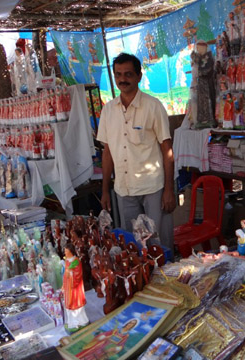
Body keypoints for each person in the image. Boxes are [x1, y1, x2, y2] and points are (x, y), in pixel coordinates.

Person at [98, 53, 175, 253]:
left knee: (158, 244)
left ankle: (166, 282)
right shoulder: (108, 111)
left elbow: (167, 150)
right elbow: (107, 153)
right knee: (133, 247)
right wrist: (105, 189)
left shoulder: (153, 106)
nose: (123, 79)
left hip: (153, 188)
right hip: (124, 190)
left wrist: (169, 190)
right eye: (119, 75)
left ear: (139, 76)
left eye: (128, 74)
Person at [62, 244, 89, 333]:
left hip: (74, 289)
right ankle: (72, 322)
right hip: (68, 287)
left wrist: (71, 272)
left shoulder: (76, 261)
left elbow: (78, 275)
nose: (65, 252)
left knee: (75, 307)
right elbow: (65, 274)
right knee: (68, 306)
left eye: (66, 251)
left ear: (71, 251)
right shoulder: (67, 261)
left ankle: (80, 322)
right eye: (65, 251)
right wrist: (64, 284)